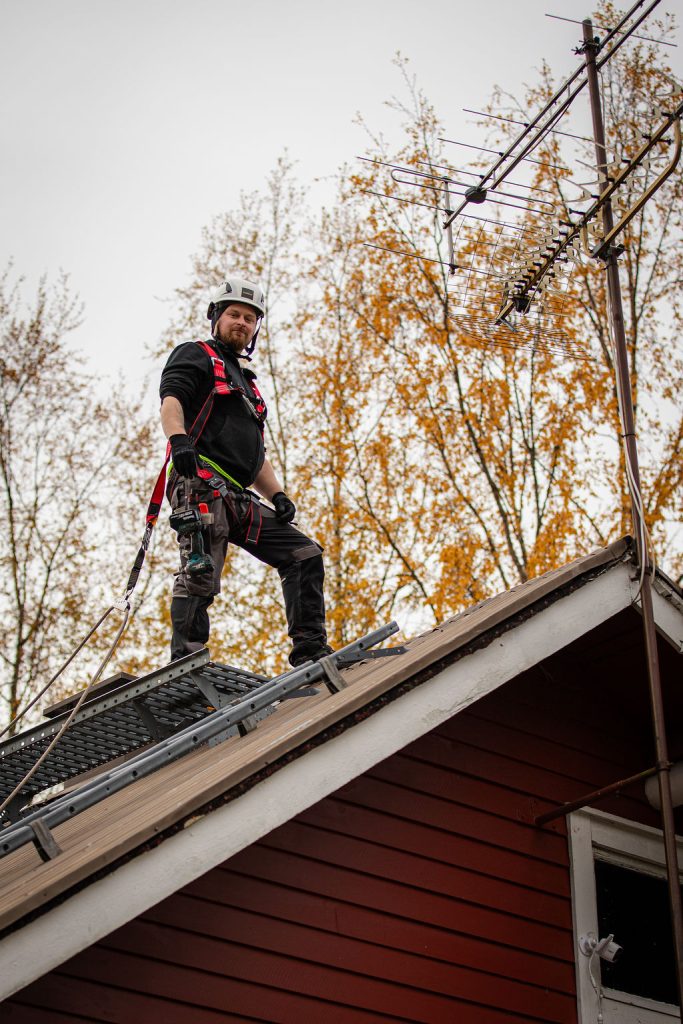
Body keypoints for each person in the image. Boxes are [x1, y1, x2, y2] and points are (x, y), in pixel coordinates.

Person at [159, 276, 332, 667]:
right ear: (217, 317)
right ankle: (186, 667)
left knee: (304, 554)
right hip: (200, 484)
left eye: (250, 318)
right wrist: (179, 441)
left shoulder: (247, 384)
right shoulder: (196, 354)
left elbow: (253, 454)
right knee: (200, 573)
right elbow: (172, 401)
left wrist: (278, 495)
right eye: (234, 314)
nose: (242, 322)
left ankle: (310, 649)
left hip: (239, 495)